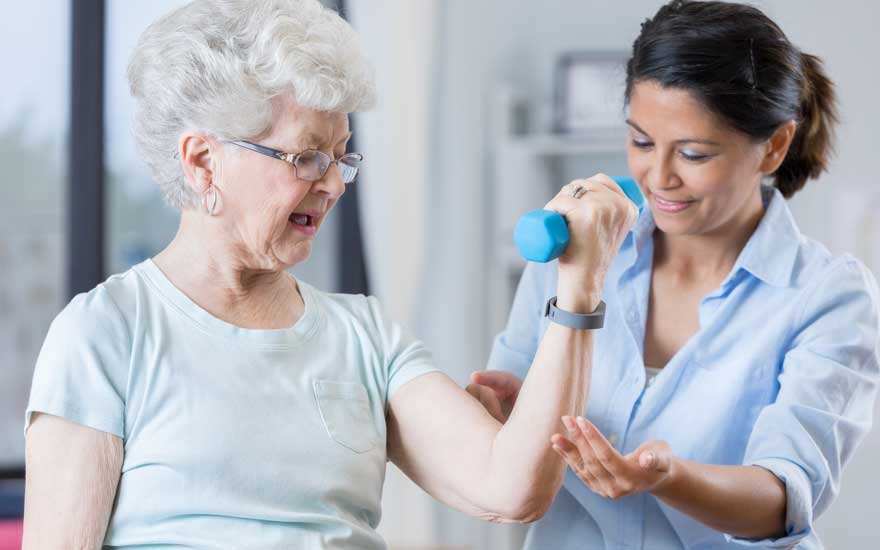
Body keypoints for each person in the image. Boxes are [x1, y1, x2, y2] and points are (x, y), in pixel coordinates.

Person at [20, 1, 637, 548]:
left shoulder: (365, 335)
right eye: (308, 156)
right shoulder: (106, 331)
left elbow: (511, 488)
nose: (336, 182)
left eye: (343, 156)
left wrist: (578, 288)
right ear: (204, 161)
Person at [468, 1, 879, 548]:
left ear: (774, 146)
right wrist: (506, 413)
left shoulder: (828, 296)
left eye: (693, 153)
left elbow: (784, 498)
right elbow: (504, 448)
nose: (659, 177)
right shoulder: (579, 252)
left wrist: (666, 478)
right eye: (641, 141)